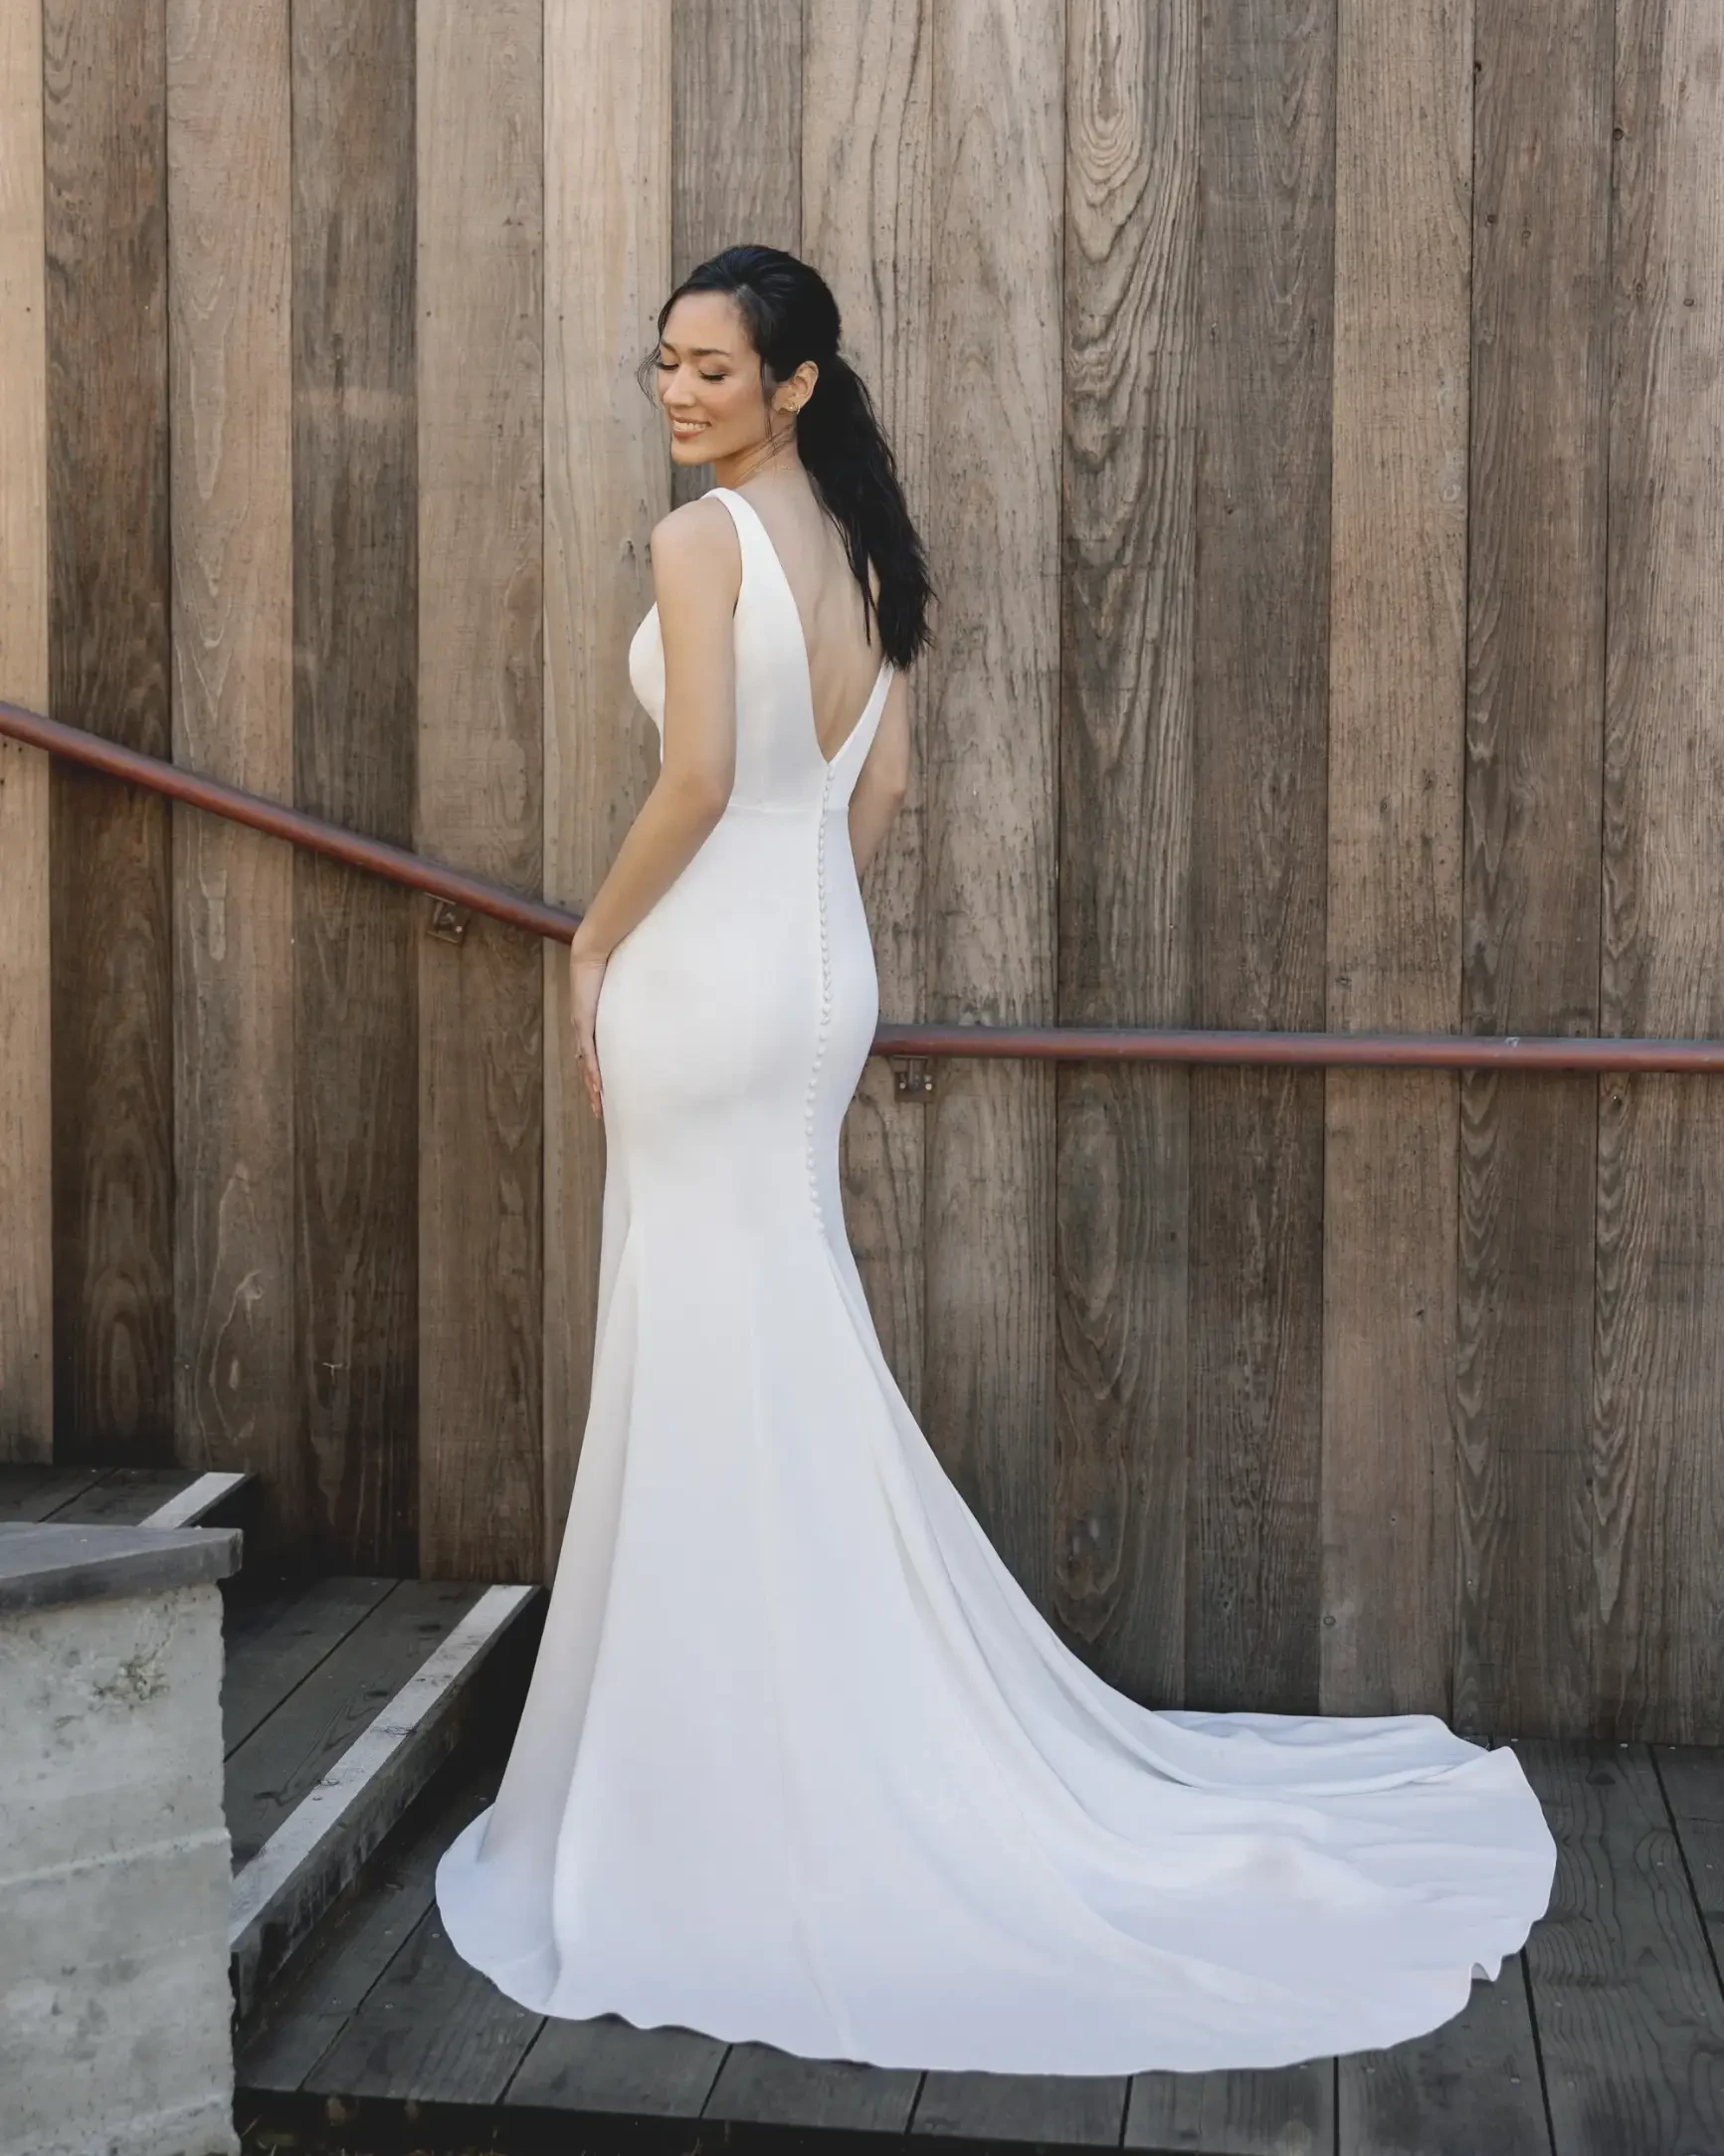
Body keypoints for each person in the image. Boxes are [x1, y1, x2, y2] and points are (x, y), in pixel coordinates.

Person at [436, 242, 1556, 2075]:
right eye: (665, 364)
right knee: (769, 1345)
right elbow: (871, 798)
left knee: (714, 1348)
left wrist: (591, 943)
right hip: (810, 979)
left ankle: (721, 1785)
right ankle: (791, 1731)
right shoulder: (866, 551)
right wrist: (800, 958)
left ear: (793, 382)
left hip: (712, 972)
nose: (679, 392)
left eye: (713, 367)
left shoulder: (702, 546)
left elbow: (702, 778)